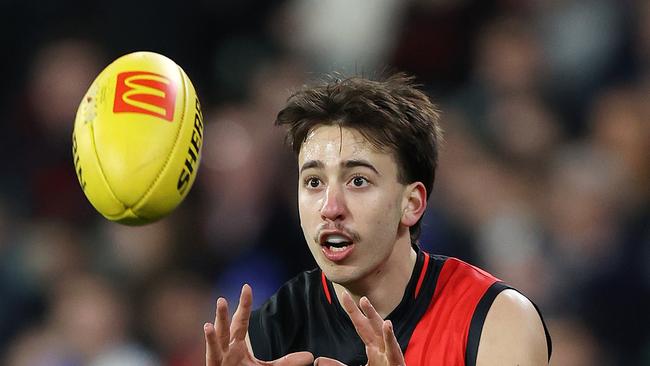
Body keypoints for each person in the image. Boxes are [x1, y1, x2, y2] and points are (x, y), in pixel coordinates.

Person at [203, 74, 552, 366]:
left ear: (411, 204)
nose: (330, 207)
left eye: (358, 181)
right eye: (314, 182)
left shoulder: (498, 320)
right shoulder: (272, 330)